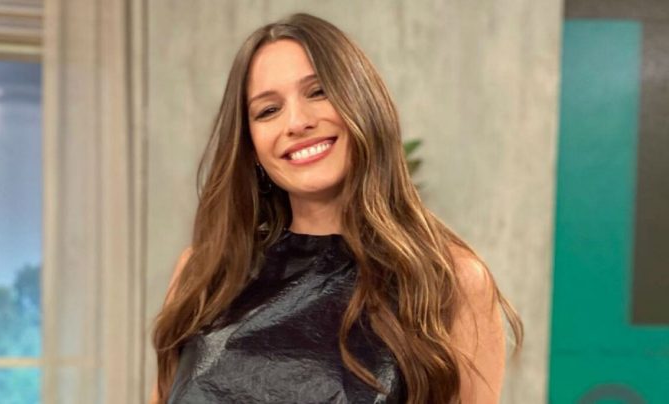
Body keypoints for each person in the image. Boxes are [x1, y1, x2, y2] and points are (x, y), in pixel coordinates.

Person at [151, 13, 522, 404]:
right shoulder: (204, 272)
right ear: (252, 148)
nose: (297, 122)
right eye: (268, 110)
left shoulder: (451, 281)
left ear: (364, 105)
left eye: (318, 91)